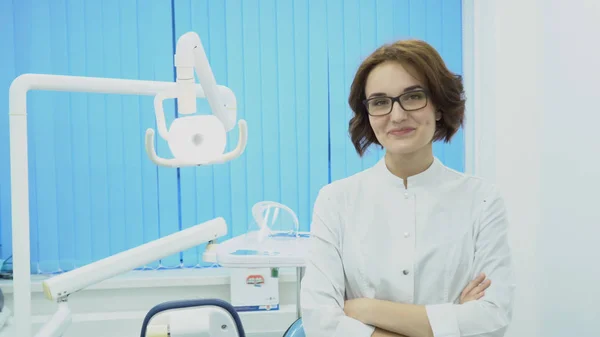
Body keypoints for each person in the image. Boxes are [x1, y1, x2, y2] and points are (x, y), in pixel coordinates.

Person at [299, 39, 516, 337]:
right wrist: (452, 321)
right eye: (379, 102)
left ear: (438, 106)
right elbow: (319, 321)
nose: (397, 116)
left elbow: (492, 317)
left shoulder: (481, 201)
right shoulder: (336, 200)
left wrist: (364, 309)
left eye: (413, 97)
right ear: (368, 114)